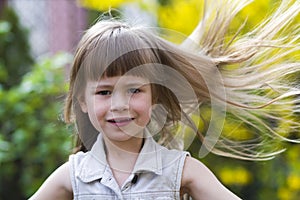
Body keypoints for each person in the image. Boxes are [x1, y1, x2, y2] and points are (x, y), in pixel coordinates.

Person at [29, 0, 300, 199]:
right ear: (83, 101)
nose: (120, 104)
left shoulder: (180, 171)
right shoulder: (73, 177)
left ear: (155, 95)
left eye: (134, 90)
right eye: (104, 92)